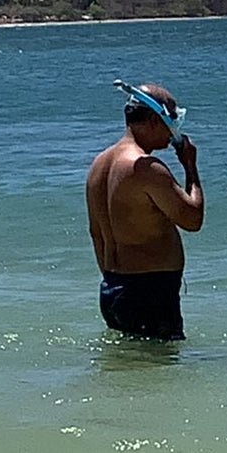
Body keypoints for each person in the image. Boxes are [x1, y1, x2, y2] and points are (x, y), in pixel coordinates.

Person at [85, 83, 203, 340]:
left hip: (113, 288)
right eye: (172, 119)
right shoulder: (146, 167)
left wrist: (117, 282)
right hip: (149, 292)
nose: (175, 131)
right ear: (152, 120)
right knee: (162, 375)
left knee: (131, 372)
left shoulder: (99, 164)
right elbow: (193, 219)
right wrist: (190, 167)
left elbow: (96, 234)